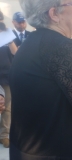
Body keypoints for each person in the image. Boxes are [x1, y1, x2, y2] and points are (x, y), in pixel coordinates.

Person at [9, 0, 72, 159]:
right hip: (61, 152)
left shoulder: (29, 43)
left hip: (28, 151)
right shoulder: (63, 48)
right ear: (54, 13)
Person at [0, 11, 18, 148]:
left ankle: (4, 135)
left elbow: (15, 53)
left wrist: (9, 39)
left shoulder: (8, 33)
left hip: (6, 75)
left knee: (7, 107)